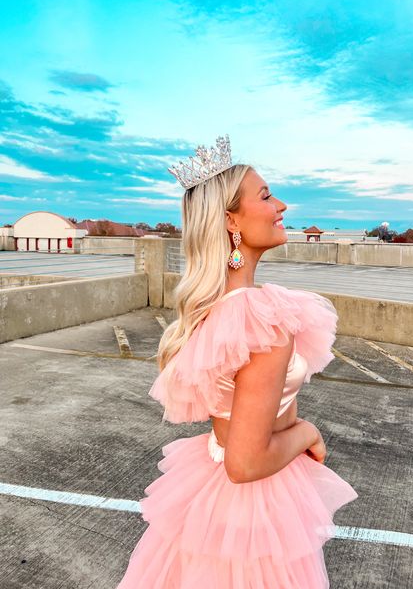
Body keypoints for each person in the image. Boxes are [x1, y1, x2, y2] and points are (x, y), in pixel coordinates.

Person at [116, 135, 358, 588]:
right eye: (266, 196)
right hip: (251, 501)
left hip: (212, 495)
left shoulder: (218, 307)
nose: (281, 204)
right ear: (230, 219)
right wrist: (309, 431)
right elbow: (245, 464)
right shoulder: (262, 319)